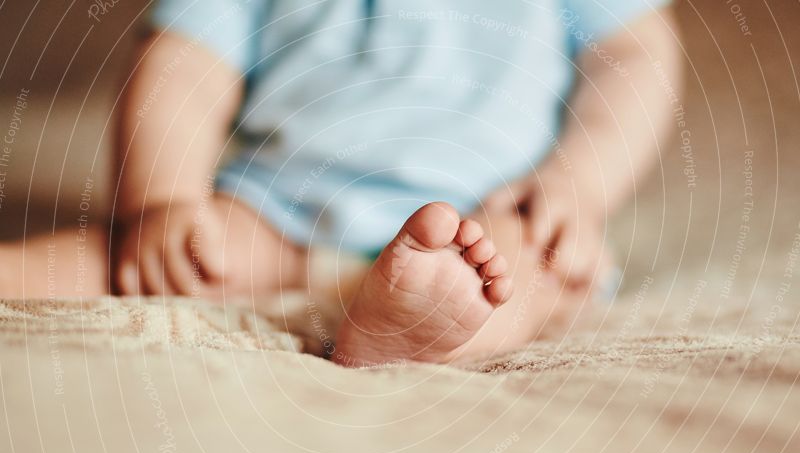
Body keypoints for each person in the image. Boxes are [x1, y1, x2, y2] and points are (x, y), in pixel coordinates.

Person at [0, 1, 682, 366]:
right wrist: (163, 200)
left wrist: (579, 181)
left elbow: (633, 56)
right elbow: (184, 65)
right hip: (273, 213)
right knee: (126, 257)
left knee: (526, 271)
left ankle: (407, 335)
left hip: (494, 211)